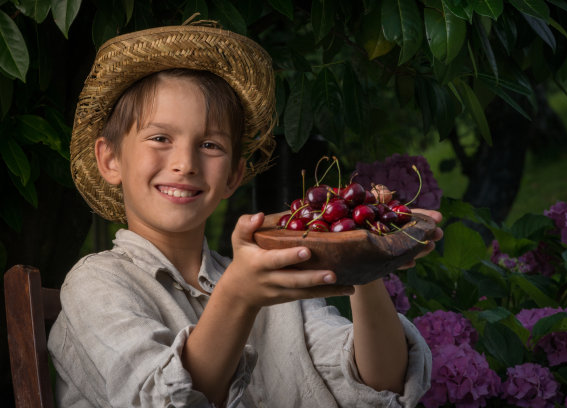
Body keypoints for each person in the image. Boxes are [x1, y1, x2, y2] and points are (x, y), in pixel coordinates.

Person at [48, 22, 442, 408]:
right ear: (110, 159)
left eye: (209, 144)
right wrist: (238, 295)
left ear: (234, 176)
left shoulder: (271, 282)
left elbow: (381, 385)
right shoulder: (95, 284)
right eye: (160, 138)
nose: (185, 163)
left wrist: (360, 254)